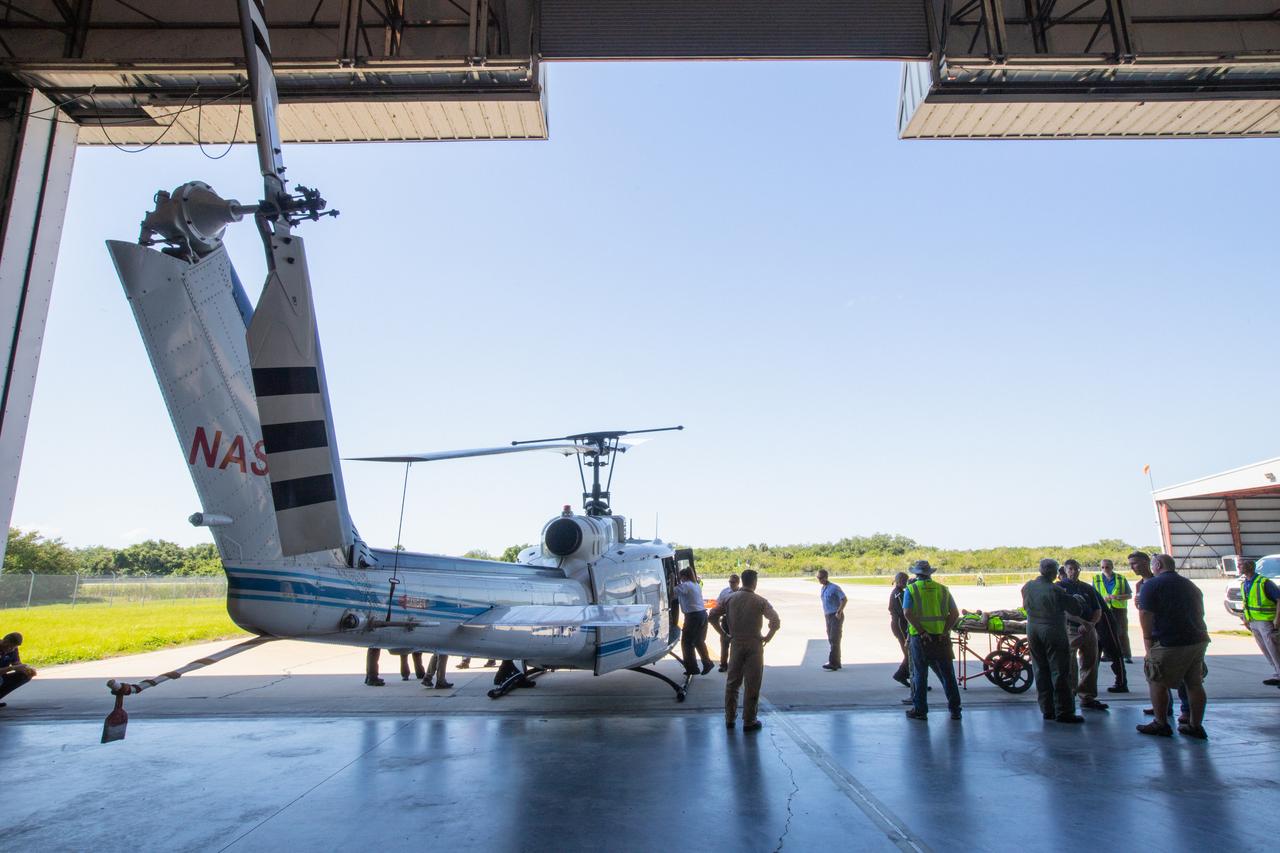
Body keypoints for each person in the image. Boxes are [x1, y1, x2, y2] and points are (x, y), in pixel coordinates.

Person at [1136, 554, 1210, 739]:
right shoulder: (1189, 585)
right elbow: (1200, 610)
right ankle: (1195, 725)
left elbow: (1145, 613)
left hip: (1169, 641)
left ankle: (1161, 723)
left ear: (1158, 565)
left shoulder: (1152, 585)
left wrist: (1147, 641)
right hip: (1197, 639)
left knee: (1157, 680)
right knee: (1194, 683)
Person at [710, 569, 780, 732]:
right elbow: (775, 620)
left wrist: (724, 635)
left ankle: (730, 718)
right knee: (752, 683)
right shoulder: (760, 601)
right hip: (754, 644)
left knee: (732, 683)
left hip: (736, 643)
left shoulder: (729, 599)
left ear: (742, 581)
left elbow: (712, 616)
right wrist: (768, 637)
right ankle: (749, 720)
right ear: (754, 582)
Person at [1022, 559, 1084, 723]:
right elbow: (1075, 609)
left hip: (1032, 629)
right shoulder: (1055, 590)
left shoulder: (1028, 586)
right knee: (1060, 671)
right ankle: (1063, 711)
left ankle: (1047, 709)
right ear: (1055, 572)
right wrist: (1077, 599)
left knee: (1040, 669)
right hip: (1052, 629)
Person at [901, 560, 962, 721]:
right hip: (941, 637)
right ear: (929, 574)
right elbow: (954, 613)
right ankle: (955, 709)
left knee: (920, 674)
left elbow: (907, 613)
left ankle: (920, 710)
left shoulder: (911, 589)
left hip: (920, 638)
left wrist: (921, 631)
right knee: (948, 674)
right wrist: (944, 630)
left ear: (916, 574)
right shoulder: (943, 590)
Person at [1057, 560, 1109, 711]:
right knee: (1069, 663)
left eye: (1076, 569)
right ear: (1065, 571)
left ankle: (1087, 696)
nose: (1074, 571)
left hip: (1089, 629)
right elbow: (1062, 610)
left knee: (1090, 662)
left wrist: (1091, 624)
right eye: (1070, 569)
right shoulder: (1060, 587)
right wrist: (1081, 622)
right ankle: (1069, 694)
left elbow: (1097, 609)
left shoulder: (1087, 588)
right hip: (1070, 629)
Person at [1237, 558, 1280, 687]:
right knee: (1266, 649)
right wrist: (1245, 618)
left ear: (1249, 567)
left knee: (1274, 648)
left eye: (1240, 565)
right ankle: (1277, 672)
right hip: (1253, 621)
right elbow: (1247, 602)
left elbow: (1279, 599)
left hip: (1266, 621)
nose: (1238, 567)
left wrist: (1277, 618)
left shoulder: (1264, 583)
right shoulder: (1245, 583)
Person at [676, 567, 714, 676]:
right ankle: (707, 663)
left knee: (686, 643)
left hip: (693, 616)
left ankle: (692, 668)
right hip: (702, 614)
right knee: (699, 641)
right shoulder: (696, 585)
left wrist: (672, 579)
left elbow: (672, 592)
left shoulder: (686, 585)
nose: (680, 579)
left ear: (684, 577)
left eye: (681, 577)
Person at [1093, 559, 1134, 663]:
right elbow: (1093, 595)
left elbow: (1129, 595)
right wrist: (1103, 598)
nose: (1105, 569)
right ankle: (1108, 654)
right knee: (1104, 633)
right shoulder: (1096, 579)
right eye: (1102, 567)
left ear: (1112, 567)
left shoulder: (1121, 578)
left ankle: (1126, 655)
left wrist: (1117, 597)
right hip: (1103, 609)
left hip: (1119, 609)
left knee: (1121, 632)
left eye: (1107, 567)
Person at [816, 569, 847, 670]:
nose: (819, 580)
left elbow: (844, 599)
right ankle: (837, 662)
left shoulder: (834, 588)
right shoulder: (823, 588)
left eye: (820, 578)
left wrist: (839, 611)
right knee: (831, 639)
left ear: (825, 577)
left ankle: (833, 662)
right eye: (817, 578)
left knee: (834, 638)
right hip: (828, 616)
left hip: (835, 615)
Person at [712, 573, 741, 672]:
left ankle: (735, 665)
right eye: (730, 582)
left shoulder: (741, 593)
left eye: (733, 582)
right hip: (726, 620)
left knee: (736, 645)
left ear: (738, 583)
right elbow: (718, 604)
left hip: (737, 622)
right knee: (724, 643)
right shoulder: (724, 592)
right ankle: (723, 664)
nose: (731, 584)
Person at [0, 632, 36, 707]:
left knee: (24, 676)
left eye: (14, 647)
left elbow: (16, 663)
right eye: (9, 646)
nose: (11, 649)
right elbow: (14, 667)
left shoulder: (13, 650)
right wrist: (12, 668)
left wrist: (26, 670)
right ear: (4, 641)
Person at [889, 572, 910, 686]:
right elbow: (905, 612)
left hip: (900, 624)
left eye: (905, 579)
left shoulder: (899, 592)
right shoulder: (899, 594)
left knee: (909, 653)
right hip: (900, 625)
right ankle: (901, 675)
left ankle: (902, 674)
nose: (904, 581)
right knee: (909, 653)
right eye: (902, 579)